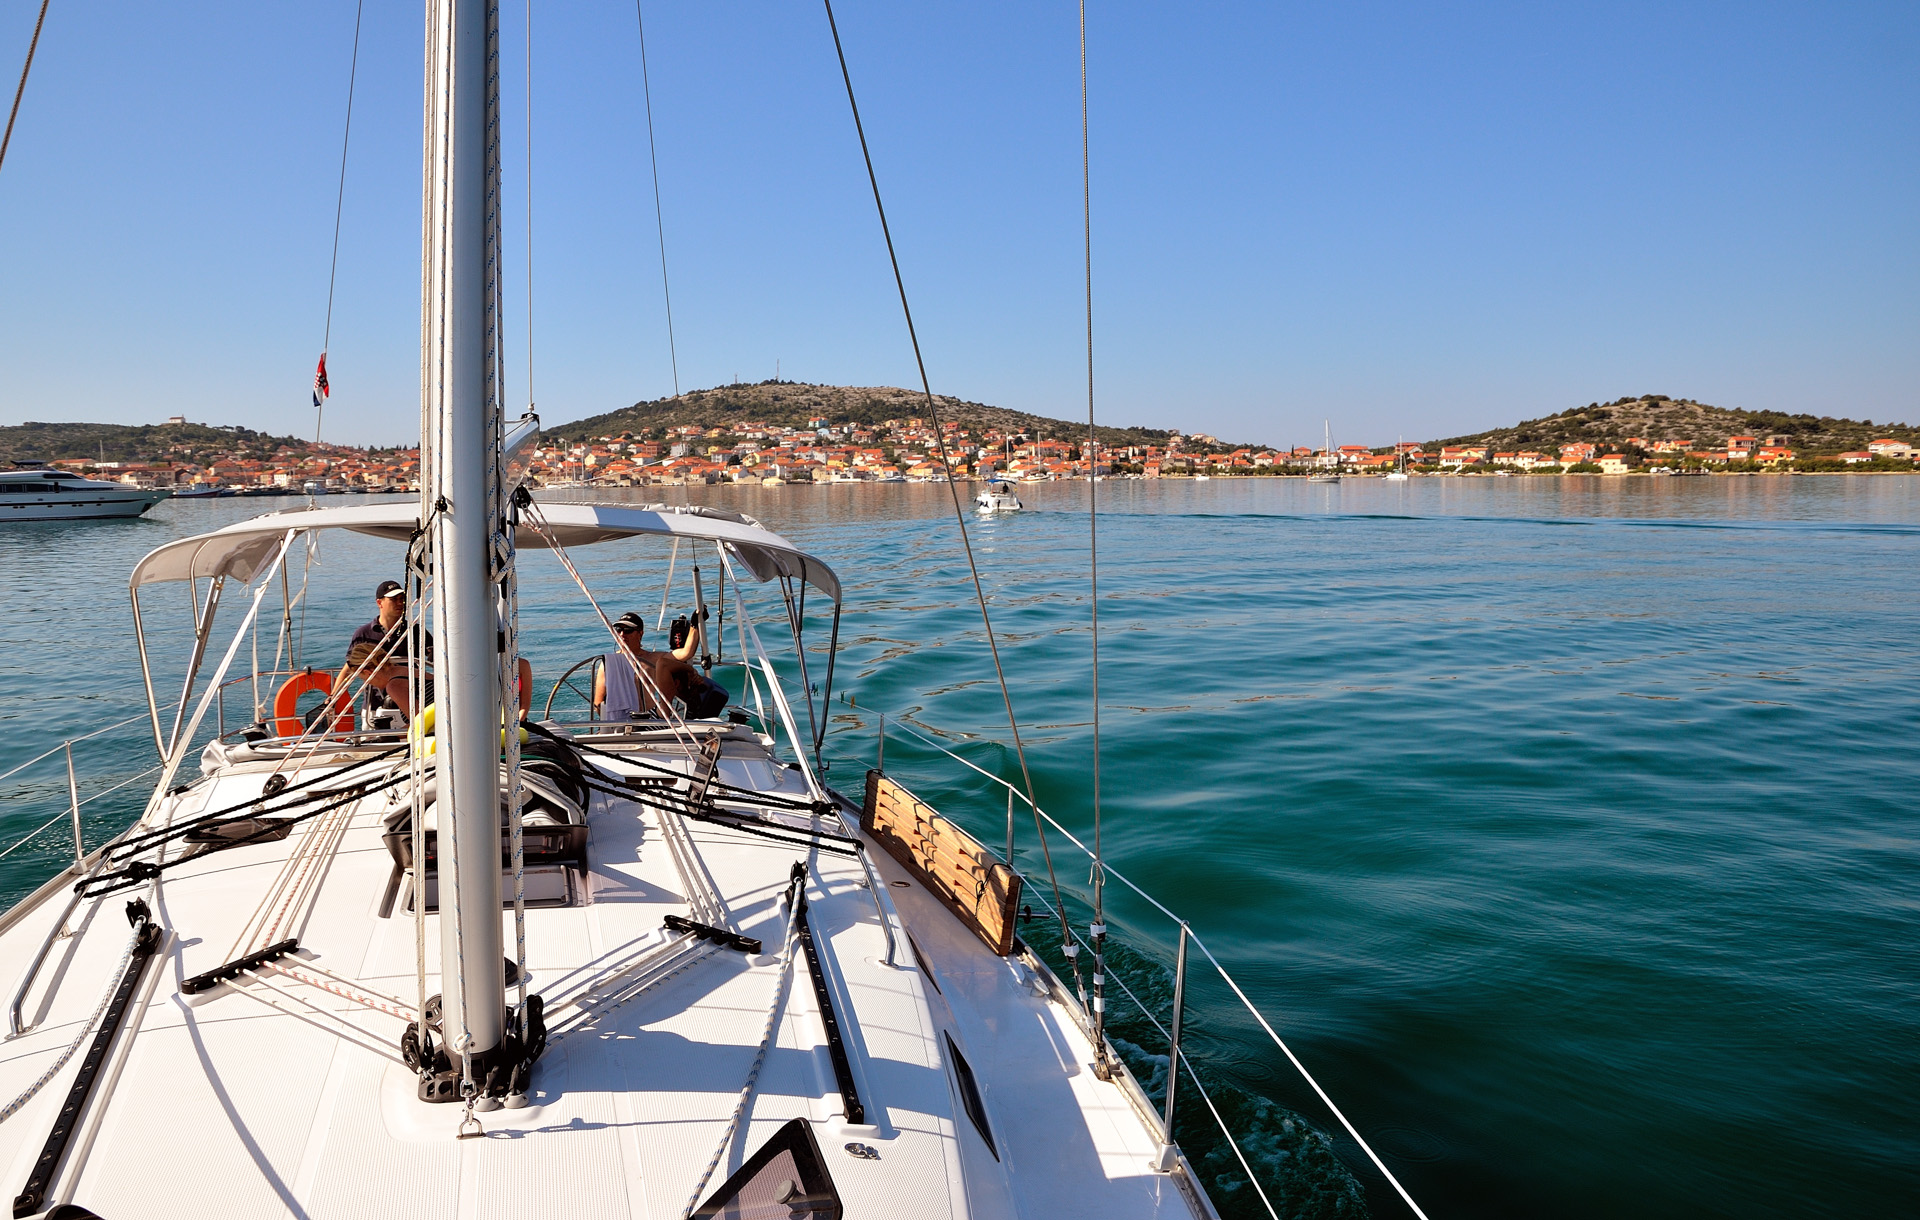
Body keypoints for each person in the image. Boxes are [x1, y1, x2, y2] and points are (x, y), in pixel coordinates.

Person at [593, 611, 701, 721]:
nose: (622, 634)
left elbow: (686, 653)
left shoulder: (654, 659)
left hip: (650, 718)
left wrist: (694, 626)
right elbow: (598, 704)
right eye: (618, 630)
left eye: (628, 630)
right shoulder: (608, 664)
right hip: (619, 722)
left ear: (640, 633)